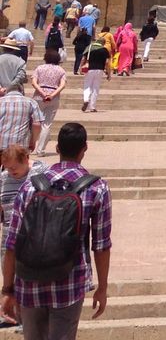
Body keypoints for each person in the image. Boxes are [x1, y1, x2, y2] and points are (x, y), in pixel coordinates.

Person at [1, 122, 113, 336]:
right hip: (69, 282)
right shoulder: (96, 188)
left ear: (58, 149)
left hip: (29, 281)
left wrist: (7, 289)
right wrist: (102, 287)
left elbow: (12, 243)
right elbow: (101, 245)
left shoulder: (30, 186)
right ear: (84, 149)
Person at [30, 52, 65, 160]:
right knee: (47, 124)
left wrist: (42, 92)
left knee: (35, 121)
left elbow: (34, 82)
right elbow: (62, 85)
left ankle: (29, 145)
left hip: (39, 97)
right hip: (53, 97)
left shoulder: (39, 68)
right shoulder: (61, 70)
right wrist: (51, 95)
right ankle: (41, 150)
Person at [0, 79, 37, 152]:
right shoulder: (31, 102)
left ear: (7, 91)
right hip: (20, 145)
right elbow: (37, 124)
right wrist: (33, 141)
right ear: (21, 91)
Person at [80, 39, 110, 114]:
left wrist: (81, 68)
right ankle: (92, 107)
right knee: (95, 88)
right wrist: (108, 73)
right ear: (103, 43)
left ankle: (86, 100)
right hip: (100, 70)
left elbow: (83, 59)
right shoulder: (104, 50)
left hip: (89, 69)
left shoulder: (89, 48)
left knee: (87, 86)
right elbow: (107, 62)